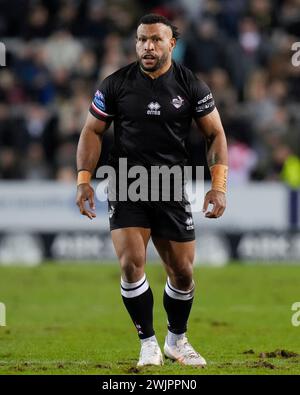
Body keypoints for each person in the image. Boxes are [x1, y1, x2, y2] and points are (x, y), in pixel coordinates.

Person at [76, 14, 228, 367]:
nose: (148, 46)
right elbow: (91, 131)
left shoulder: (191, 86)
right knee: (131, 264)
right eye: (142, 40)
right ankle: (147, 342)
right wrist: (84, 179)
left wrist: (218, 186)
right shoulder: (115, 84)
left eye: (156, 40)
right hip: (127, 181)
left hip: (172, 185)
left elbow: (215, 134)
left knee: (184, 273)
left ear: (171, 43)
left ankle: (177, 340)